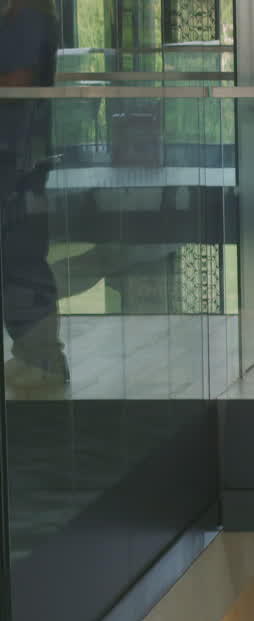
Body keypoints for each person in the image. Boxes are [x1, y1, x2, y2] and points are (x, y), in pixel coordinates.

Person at [0, 0, 64, 390]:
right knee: (16, 257)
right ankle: (32, 354)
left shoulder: (29, 18)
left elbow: (19, 80)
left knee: (20, 256)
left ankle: (43, 360)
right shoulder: (20, 18)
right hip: (17, 153)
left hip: (18, 157)